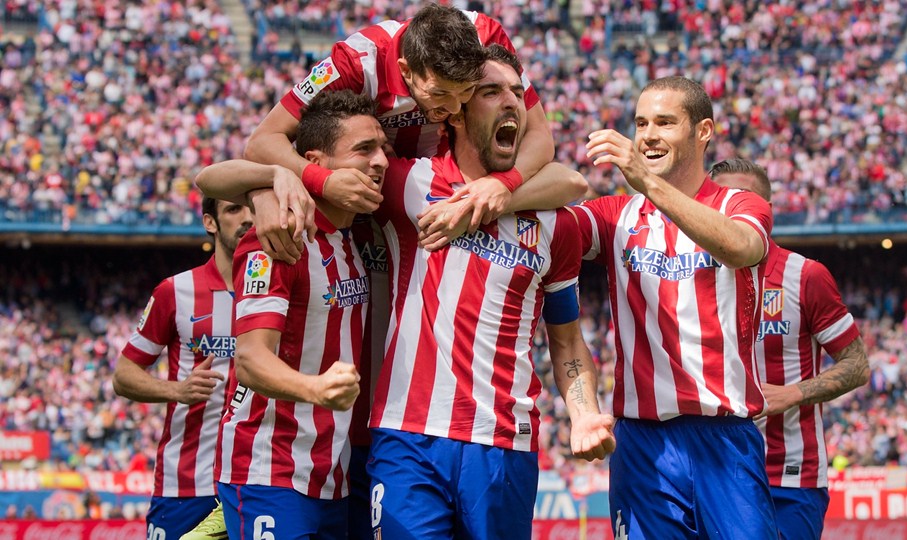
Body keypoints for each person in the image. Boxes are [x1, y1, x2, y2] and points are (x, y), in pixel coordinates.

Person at [367, 44, 615, 540]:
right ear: (456, 111)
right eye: (491, 91)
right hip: (406, 435)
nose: (512, 103)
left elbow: (566, 343)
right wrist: (273, 191)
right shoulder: (408, 185)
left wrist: (584, 412)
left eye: (517, 93)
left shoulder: (553, 225)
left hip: (503, 444)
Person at [572, 76, 778, 538]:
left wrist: (645, 181)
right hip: (643, 444)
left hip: (725, 438)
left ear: (703, 131)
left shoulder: (741, 203)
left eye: (665, 122)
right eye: (641, 122)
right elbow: (553, 230)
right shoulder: (614, 215)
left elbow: (743, 247)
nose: (647, 135)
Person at [196, 90, 388, 539]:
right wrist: (316, 388)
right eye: (364, 150)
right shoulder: (281, 237)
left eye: (384, 149)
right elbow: (250, 359)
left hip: (332, 476)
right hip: (270, 469)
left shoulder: (349, 238)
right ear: (316, 162)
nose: (380, 162)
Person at [243, 3, 556, 264]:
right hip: (372, 209)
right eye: (439, 93)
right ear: (406, 71)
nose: (452, 107)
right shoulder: (355, 62)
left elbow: (539, 134)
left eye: (465, 92)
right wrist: (320, 180)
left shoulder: (487, 37)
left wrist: (501, 185)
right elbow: (263, 141)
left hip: (447, 197)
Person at [711, 158, 870, 540]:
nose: (732, 208)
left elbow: (857, 365)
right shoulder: (688, 273)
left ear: (766, 211)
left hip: (787, 476)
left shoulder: (805, 276)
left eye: (744, 199)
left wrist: (794, 393)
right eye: (721, 198)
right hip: (713, 471)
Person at [113, 197, 252, 540]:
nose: (248, 217)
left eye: (253, 207)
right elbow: (123, 375)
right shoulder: (176, 291)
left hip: (258, 481)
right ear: (210, 223)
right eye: (234, 209)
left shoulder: (283, 288)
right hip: (187, 485)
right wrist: (177, 390)